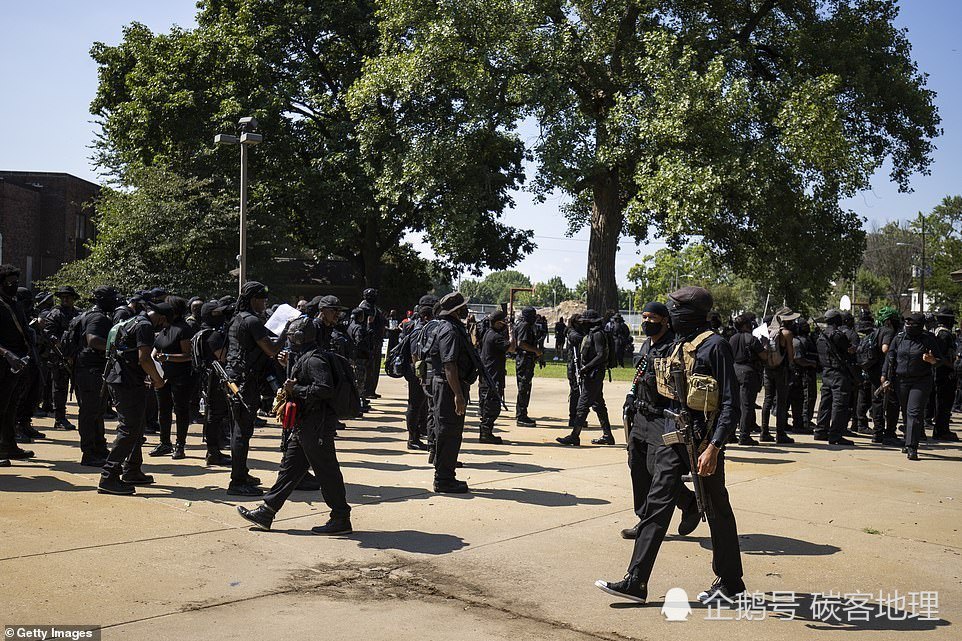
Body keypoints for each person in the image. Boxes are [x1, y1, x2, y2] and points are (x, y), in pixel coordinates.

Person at [595, 286, 744, 606]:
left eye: (675, 309)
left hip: (703, 443)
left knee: (716, 509)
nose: (669, 313)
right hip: (672, 436)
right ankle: (636, 580)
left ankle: (731, 583)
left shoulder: (715, 346)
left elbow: (732, 405)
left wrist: (714, 448)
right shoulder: (677, 344)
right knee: (656, 504)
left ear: (688, 314)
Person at [236, 316, 352, 534]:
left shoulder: (315, 360)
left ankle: (340, 517)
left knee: (327, 471)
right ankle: (267, 511)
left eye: (291, 336)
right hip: (305, 425)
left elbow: (324, 389)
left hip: (316, 426)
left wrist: (295, 390)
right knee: (290, 469)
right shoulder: (303, 357)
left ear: (300, 337)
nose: (288, 340)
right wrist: (286, 365)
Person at [620, 301, 699, 540]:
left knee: (659, 471)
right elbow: (640, 374)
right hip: (641, 415)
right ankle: (644, 519)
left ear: (665, 320)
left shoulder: (673, 347)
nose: (646, 322)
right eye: (644, 317)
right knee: (638, 467)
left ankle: (689, 504)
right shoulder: (646, 344)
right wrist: (630, 396)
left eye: (652, 318)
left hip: (662, 417)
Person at [224, 282, 290, 497]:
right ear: (253, 299)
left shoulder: (238, 318)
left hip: (236, 378)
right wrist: (286, 332)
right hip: (244, 382)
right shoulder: (251, 320)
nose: (265, 303)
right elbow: (271, 350)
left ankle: (241, 472)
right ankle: (237, 481)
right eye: (262, 299)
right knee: (242, 432)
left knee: (240, 429)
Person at [98, 302, 171, 495]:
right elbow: (144, 358)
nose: (162, 328)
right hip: (126, 382)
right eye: (163, 324)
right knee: (129, 428)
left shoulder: (134, 320)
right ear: (161, 317)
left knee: (136, 427)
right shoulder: (145, 325)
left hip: (124, 379)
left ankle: (132, 470)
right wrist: (158, 380)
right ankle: (109, 476)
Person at [429, 292, 475, 493]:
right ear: (456, 310)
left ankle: (446, 475)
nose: (466, 309)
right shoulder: (450, 331)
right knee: (449, 432)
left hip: (451, 385)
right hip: (449, 387)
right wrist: (458, 395)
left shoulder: (453, 327)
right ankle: (444, 479)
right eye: (464, 306)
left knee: (450, 432)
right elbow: (449, 365)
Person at [882, 313, 943, 460]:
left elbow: (940, 360)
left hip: (921, 381)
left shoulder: (928, 339)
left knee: (914, 412)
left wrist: (932, 360)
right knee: (906, 412)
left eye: (912, 323)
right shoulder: (899, 337)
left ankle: (912, 446)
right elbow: (890, 357)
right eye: (907, 323)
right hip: (901, 381)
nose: (909, 325)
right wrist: (884, 375)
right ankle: (908, 440)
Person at [73, 286, 119, 467]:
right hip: (90, 370)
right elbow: (93, 340)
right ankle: (89, 452)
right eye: (112, 298)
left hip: (89, 369)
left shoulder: (91, 315)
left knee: (96, 411)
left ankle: (99, 447)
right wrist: (115, 349)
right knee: (90, 411)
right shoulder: (97, 317)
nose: (115, 301)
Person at [557, 310, 615, 446]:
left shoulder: (597, 334)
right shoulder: (595, 333)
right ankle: (608, 435)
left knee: (582, 406)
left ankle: (574, 436)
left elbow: (601, 355)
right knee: (599, 405)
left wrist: (586, 367)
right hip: (592, 374)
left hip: (593, 374)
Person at [148, 296, 196, 460]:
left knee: (181, 411)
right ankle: (164, 442)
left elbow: (188, 355)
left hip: (180, 377)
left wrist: (168, 357)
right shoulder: (165, 328)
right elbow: (156, 349)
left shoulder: (184, 329)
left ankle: (179, 445)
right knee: (164, 410)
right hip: (163, 377)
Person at [0, 265, 35, 464]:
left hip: (18, 363)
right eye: (10, 282)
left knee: (11, 406)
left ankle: (8, 445)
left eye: (16, 282)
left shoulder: (15, 304)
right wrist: (8, 355)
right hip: (4, 362)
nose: (14, 286)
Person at [814, 309, 856, 446]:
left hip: (826, 372)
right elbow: (848, 350)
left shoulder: (821, 336)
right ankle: (835, 434)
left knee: (825, 402)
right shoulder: (837, 335)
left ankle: (820, 430)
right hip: (838, 373)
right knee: (840, 404)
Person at [402, 295, 437, 450]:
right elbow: (415, 354)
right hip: (417, 370)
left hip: (421, 370)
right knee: (415, 405)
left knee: (422, 405)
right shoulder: (418, 328)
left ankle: (419, 433)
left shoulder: (422, 326)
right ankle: (412, 439)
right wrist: (421, 375)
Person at [43, 285, 80, 430]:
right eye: (62, 297)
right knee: (59, 388)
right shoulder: (55, 313)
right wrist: (63, 349)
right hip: (59, 357)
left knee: (79, 387)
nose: (65, 299)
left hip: (76, 356)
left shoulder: (78, 313)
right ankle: (59, 419)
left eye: (68, 297)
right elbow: (49, 333)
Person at [759, 308, 797, 444]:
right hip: (782, 370)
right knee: (781, 401)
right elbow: (791, 356)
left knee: (767, 400)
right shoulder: (787, 333)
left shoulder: (767, 331)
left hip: (768, 369)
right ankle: (780, 434)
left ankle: (764, 432)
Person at [729, 312, 765, 446]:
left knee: (734, 405)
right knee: (746, 406)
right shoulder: (751, 338)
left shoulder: (732, 339)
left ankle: (731, 434)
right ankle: (744, 436)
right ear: (745, 325)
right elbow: (764, 355)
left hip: (734, 371)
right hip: (748, 373)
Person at [870, 307, 902, 445]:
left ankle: (877, 433)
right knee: (892, 403)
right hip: (885, 373)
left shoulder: (875, 332)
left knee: (877, 402)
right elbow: (885, 349)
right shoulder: (888, 331)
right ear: (888, 320)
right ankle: (889, 433)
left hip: (874, 371)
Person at [478, 310, 510, 445]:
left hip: (491, 375)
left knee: (490, 404)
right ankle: (485, 433)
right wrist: (512, 332)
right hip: (492, 377)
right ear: (498, 323)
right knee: (491, 406)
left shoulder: (489, 333)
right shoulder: (495, 336)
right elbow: (512, 347)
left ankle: (486, 431)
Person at [931, 307, 959, 441]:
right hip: (944, 375)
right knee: (944, 403)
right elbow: (940, 357)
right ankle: (941, 430)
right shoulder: (943, 335)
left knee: (944, 402)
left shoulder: (940, 333)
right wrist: (952, 366)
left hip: (943, 373)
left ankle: (942, 429)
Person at [513, 306, 541, 427]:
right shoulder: (524, 326)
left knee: (525, 387)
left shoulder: (525, 325)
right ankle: (521, 415)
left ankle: (522, 413)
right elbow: (521, 343)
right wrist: (536, 350)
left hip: (526, 360)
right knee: (524, 387)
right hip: (524, 359)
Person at [358, 288, 388, 399]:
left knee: (374, 368)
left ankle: (371, 390)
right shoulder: (364, 307)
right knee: (369, 367)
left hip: (376, 341)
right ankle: (366, 390)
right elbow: (368, 324)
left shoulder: (374, 307)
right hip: (370, 342)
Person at [348, 307, 373, 413]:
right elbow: (360, 342)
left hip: (353, 357)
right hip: (359, 357)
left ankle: (359, 401)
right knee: (360, 380)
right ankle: (358, 404)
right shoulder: (358, 328)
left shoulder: (350, 326)